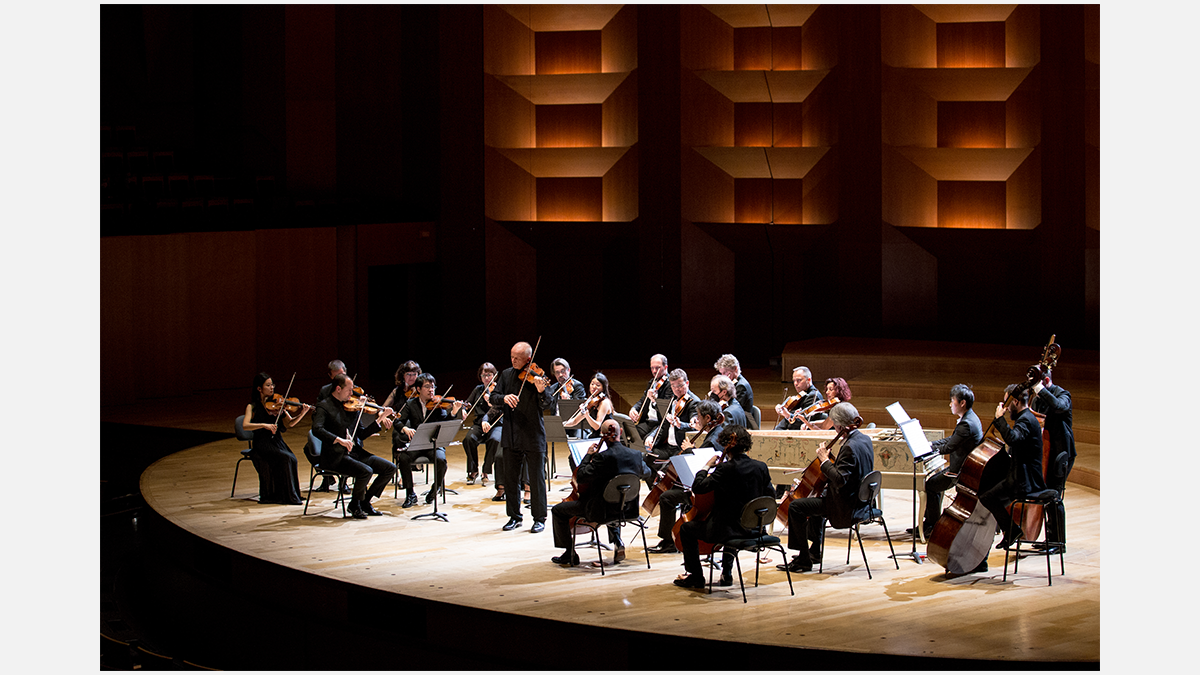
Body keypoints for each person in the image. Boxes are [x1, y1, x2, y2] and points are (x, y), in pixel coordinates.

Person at [672, 425, 774, 589]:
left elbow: (698, 487)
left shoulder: (725, 469)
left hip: (726, 531)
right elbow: (770, 496)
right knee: (736, 519)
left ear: (726, 445)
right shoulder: (760, 467)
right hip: (753, 529)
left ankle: (696, 577)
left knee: (686, 529)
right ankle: (726, 573)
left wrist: (706, 467)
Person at [778, 402, 874, 573]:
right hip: (860, 502)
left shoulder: (850, 447)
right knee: (815, 500)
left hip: (845, 507)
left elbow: (839, 480)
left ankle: (804, 559)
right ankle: (814, 551)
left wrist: (823, 460)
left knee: (796, 507)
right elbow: (849, 472)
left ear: (838, 425)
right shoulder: (864, 439)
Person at [550, 419, 646, 566]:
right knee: (616, 498)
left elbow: (581, 477)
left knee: (558, 511)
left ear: (603, 435)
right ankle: (617, 540)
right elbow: (647, 472)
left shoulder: (602, 458)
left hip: (599, 512)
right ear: (620, 432)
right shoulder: (636, 455)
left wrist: (588, 456)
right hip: (627, 509)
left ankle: (569, 554)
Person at [311, 374, 398, 519]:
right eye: (349, 390)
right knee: (366, 471)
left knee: (389, 468)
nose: (352, 394)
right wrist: (338, 440)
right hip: (335, 456)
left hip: (354, 453)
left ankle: (365, 501)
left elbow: (362, 434)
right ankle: (354, 504)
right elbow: (317, 429)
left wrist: (381, 418)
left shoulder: (352, 407)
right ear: (338, 389)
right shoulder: (324, 406)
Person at [647, 399, 726, 554]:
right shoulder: (718, 432)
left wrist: (690, 450)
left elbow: (703, 465)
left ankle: (669, 541)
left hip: (706, 491)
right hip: (708, 485)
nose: (697, 419)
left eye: (699, 416)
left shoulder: (712, 439)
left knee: (667, 497)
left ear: (708, 419)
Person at [491, 341, 553, 533]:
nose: (513, 360)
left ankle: (539, 518)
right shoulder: (506, 374)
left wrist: (542, 391)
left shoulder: (537, 377)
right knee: (511, 478)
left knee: (536, 478)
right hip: (511, 433)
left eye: (517, 358)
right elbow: (494, 397)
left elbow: (548, 404)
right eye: (512, 357)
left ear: (528, 359)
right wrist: (503, 398)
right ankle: (514, 516)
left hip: (533, 434)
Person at [908, 384, 983, 539]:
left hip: (961, 471)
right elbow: (951, 440)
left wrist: (927, 449)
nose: (950, 404)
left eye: (952, 401)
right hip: (963, 466)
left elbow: (949, 447)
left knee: (931, 486)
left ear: (962, 403)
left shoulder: (966, 424)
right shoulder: (969, 417)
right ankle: (929, 523)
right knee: (934, 484)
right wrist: (931, 444)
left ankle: (932, 526)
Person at [979, 384, 1046, 549]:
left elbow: (1013, 439)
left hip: (1025, 482)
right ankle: (1007, 530)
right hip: (1023, 477)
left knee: (986, 497)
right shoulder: (1028, 418)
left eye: (1007, 404)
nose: (1006, 408)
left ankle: (1011, 531)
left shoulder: (1025, 420)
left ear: (1015, 401)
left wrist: (999, 419)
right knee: (995, 499)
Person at [394, 373, 462, 507]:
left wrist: (453, 412)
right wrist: (405, 429)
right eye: (427, 387)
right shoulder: (410, 404)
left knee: (441, 461)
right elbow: (397, 421)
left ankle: (435, 489)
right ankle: (410, 494)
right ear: (418, 389)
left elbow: (445, 423)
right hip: (417, 444)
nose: (431, 390)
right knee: (403, 458)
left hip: (433, 444)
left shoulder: (438, 405)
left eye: (433, 387)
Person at [243, 373, 310, 505]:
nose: (272, 388)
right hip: (262, 443)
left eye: (272, 384)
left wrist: (302, 413)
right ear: (259, 389)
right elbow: (245, 425)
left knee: (293, 459)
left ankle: (291, 494)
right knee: (286, 458)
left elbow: (290, 423)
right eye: (268, 385)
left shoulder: (277, 405)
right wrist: (264, 425)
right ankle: (285, 496)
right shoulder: (252, 407)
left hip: (277, 441)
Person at [1028, 367, 1075, 548]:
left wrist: (1040, 390)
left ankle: (1058, 541)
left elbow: (1059, 406)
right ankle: (1050, 538)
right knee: (1047, 494)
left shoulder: (1063, 394)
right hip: (1046, 454)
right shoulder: (1038, 400)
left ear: (1046, 382)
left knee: (1054, 495)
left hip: (1062, 454)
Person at [642, 369, 702, 483]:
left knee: (667, 472)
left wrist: (681, 424)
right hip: (667, 447)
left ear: (687, 383)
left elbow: (695, 426)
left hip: (680, 448)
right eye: (673, 386)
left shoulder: (694, 402)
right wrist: (652, 436)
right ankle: (654, 489)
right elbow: (663, 423)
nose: (677, 389)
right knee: (644, 458)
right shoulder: (672, 400)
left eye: (680, 385)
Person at [460, 363, 501, 486]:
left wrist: (491, 402)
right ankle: (473, 470)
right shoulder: (478, 390)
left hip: (496, 424)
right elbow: (468, 403)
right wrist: (463, 409)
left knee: (495, 440)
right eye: (484, 375)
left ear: (494, 376)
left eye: (489, 375)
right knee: (468, 439)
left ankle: (486, 470)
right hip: (479, 424)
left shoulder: (499, 390)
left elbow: (500, 408)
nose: (486, 378)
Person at [311, 359, 347, 492]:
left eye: (342, 374)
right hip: (329, 429)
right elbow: (318, 412)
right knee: (310, 448)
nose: (339, 378)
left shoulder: (350, 388)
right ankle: (327, 477)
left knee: (351, 445)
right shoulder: (325, 391)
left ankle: (344, 482)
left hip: (344, 429)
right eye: (336, 376)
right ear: (330, 376)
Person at [628, 354, 672, 441]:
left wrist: (654, 401)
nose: (654, 371)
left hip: (660, 424)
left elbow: (666, 410)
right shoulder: (652, 382)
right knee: (628, 434)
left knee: (645, 440)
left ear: (665, 367)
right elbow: (642, 400)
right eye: (652, 368)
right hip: (649, 422)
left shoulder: (670, 385)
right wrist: (634, 409)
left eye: (657, 368)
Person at [774, 366, 826, 431]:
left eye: (799, 380)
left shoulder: (813, 396)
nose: (795, 384)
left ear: (808, 380)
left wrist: (788, 415)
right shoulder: (803, 394)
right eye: (794, 381)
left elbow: (805, 423)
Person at [565, 372, 615, 439]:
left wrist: (587, 415)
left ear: (603, 388)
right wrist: (562, 424)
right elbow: (575, 421)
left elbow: (597, 426)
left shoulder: (604, 402)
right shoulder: (591, 400)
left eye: (598, 385)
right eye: (592, 384)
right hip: (595, 436)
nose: (594, 387)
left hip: (605, 437)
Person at [549, 358, 588, 437]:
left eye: (563, 371)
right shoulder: (553, 389)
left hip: (575, 425)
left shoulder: (577, 386)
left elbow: (579, 408)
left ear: (569, 370)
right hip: (558, 424)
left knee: (578, 437)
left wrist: (568, 402)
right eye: (557, 372)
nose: (560, 375)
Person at [714, 354, 754, 426]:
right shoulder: (732, 383)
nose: (723, 377)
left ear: (735, 369)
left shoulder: (741, 386)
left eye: (725, 373)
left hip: (741, 423)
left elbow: (734, 409)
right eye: (721, 373)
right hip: (733, 419)